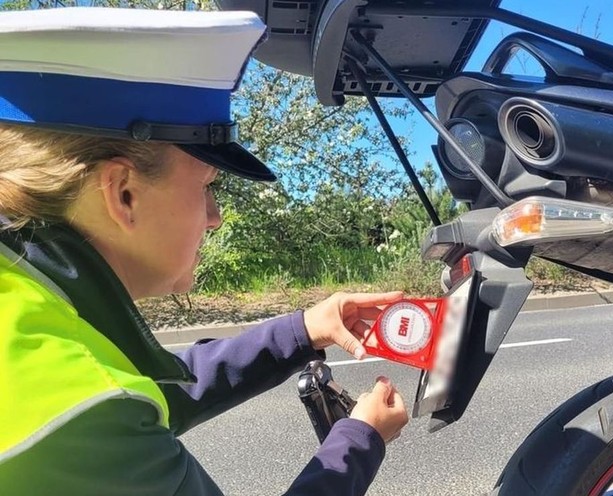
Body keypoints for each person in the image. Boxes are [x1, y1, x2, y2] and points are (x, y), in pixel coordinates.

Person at [0, 7, 409, 495]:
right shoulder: (81, 415)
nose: (214, 216)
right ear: (123, 193)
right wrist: (360, 439)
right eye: (206, 187)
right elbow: (114, 402)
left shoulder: (27, 295)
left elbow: (150, 383)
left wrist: (304, 329)